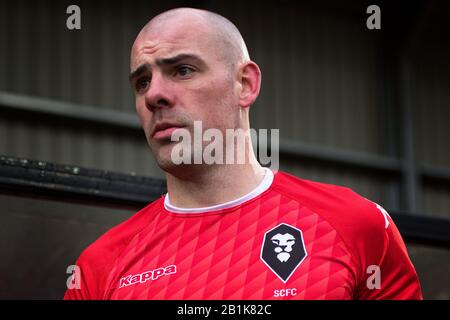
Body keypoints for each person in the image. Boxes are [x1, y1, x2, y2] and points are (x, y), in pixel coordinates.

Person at [64, 7, 422, 300]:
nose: (154, 94)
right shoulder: (99, 268)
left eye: (182, 70)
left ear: (245, 84)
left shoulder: (356, 227)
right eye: (142, 81)